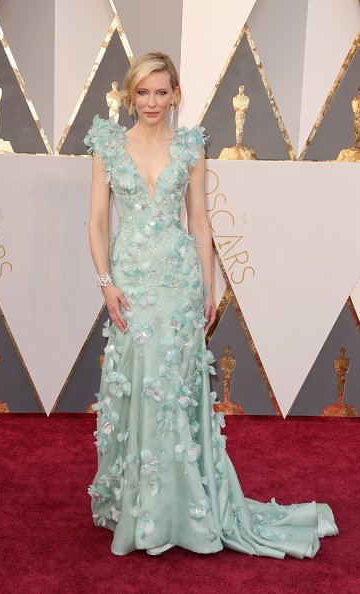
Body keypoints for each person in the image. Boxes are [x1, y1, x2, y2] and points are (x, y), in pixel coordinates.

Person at [84, 51, 338, 557]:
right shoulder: (108, 145)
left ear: (175, 94)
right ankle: (139, 503)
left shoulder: (189, 147)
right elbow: (96, 222)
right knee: (136, 382)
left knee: (175, 389)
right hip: (130, 280)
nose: (152, 102)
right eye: (143, 92)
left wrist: (209, 285)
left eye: (161, 91)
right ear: (129, 95)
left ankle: (180, 505)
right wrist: (106, 282)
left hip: (178, 283)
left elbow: (199, 222)